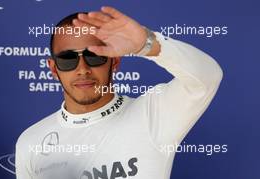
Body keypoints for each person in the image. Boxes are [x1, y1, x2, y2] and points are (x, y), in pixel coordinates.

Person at [15, 6, 223, 179]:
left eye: (94, 56)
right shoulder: (30, 142)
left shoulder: (152, 114)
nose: (82, 69)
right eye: (68, 59)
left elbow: (208, 77)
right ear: (53, 68)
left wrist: (147, 44)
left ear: (114, 60)